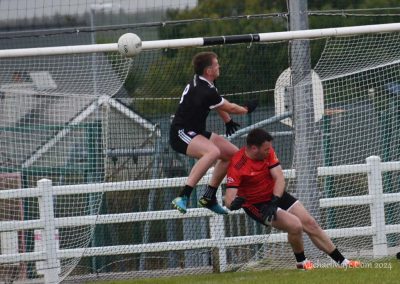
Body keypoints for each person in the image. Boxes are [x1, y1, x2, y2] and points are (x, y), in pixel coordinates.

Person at [224, 128, 361, 270]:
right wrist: (234, 205)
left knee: (310, 223)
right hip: (257, 205)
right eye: (266, 149)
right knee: (295, 225)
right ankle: (301, 262)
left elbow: (279, 178)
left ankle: (343, 262)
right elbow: (229, 200)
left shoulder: (268, 152)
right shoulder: (237, 165)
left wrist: (275, 201)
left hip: (275, 196)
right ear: (254, 148)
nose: (269, 151)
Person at [170, 51, 258, 214]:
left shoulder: (207, 83)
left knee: (233, 155)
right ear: (208, 70)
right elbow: (229, 107)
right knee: (212, 152)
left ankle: (209, 197)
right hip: (180, 133)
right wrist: (246, 110)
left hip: (196, 131)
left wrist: (228, 121)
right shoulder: (204, 89)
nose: (219, 67)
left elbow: (217, 103)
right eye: (216, 64)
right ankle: (183, 196)